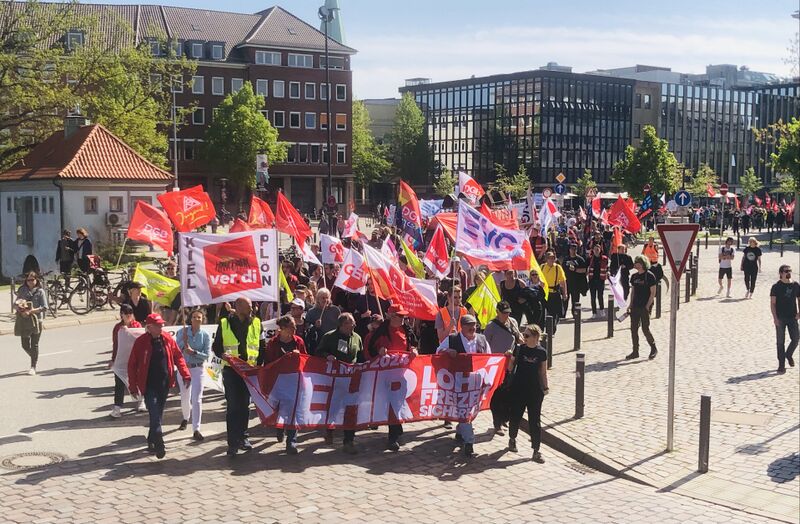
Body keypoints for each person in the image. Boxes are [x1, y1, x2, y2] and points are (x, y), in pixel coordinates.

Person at [127, 313, 190, 459]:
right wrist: (132, 386)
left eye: (162, 324)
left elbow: (178, 356)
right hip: (148, 385)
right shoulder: (141, 342)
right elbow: (132, 365)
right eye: (158, 325)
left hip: (164, 383)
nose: (162, 326)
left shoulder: (167, 338)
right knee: (154, 413)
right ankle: (159, 442)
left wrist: (185, 374)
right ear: (149, 327)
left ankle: (151, 439)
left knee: (158, 414)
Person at [212, 297, 266, 458]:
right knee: (233, 407)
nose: (252, 308)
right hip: (231, 372)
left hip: (249, 371)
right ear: (239, 306)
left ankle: (244, 437)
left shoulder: (257, 323)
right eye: (249, 306)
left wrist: (259, 366)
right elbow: (216, 346)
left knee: (244, 407)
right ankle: (232, 442)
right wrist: (223, 354)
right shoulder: (225, 323)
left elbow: (262, 346)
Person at [436, 314, 491, 458]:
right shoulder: (453, 339)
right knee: (464, 410)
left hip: (476, 382)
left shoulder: (482, 339)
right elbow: (438, 352)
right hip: (459, 383)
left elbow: (489, 358)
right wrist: (447, 351)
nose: (473, 328)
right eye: (469, 325)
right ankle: (469, 442)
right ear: (462, 326)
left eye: (474, 325)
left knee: (469, 411)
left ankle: (461, 431)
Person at [366, 305, 418, 451]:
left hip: (401, 373)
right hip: (385, 374)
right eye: (399, 316)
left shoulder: (406, 329)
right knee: (390, 403)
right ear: (391, 316)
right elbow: (369, 349)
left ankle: (395, 430)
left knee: (397, 402)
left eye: (403, 316)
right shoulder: (381, 332)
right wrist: (379, 351)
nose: (403, 319)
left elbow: (413, 343)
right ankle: (393, 435)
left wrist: (414, 350)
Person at [316, 313, 364, 454]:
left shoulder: (357, 338)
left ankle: (349, 440)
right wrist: (327, 356)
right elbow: (318, 352)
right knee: (334, 407)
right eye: (351, 323)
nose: (354, 325)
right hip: (335, 380)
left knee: (351, 410)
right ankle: (329, 430)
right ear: (342, 325)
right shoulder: (330, 337)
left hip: (352, 380)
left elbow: (360, 357)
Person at [264, 315, 307, 454]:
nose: (294, 329)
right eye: (291, 327)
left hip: (294, 381)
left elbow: (306, 360)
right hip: (278, 381)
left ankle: (292, 442)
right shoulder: (272, 343)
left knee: (293, 410)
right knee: (278, 409)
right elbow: (268, 363)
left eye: (295, 326)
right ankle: (279, 428)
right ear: (281, 329)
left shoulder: (299, 341)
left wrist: (298, 355)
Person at [507, 324, 549, 464]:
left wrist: (545, 387)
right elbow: (510, 367)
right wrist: (509, 358)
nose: (524, 338)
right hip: (519, 388)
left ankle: (536, 450)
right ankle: (512, 439)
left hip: (535, 390)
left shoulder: (542, 352)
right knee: (516, 416)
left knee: (535, 420)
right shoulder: (519, 349)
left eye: (527, 335)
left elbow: (542, 372)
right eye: (523, 335)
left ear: (536, 337)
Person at [175, 309, 211, 441]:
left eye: (199, 317)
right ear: (190, 319)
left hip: (198, 369)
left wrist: (194, 352)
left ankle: (196, 428)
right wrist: (183, 343)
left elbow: (206, 355)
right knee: (185, 397)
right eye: (194, 317)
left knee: (197, 399)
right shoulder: (182, 332)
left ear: (203, 320)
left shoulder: (205, 335)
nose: (197, 319)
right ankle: (186, 417)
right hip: (184, 369)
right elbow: (176, 351)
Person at [110, 304, 143, 417]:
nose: (129, 316)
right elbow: (116, 344)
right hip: (121, 359)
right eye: (126, 314)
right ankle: (117, 407)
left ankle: (141, 402)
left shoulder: (137, 325)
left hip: (135, 359)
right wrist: (113, 359)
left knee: (138, 381)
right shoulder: (118, 328)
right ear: (121, 315)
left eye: (130, 314)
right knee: (119, 383)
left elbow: (140, 340)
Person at [625, 256, 658, 361]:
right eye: (635, 262)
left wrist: (648, 306)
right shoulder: (634, 277)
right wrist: (630, 304)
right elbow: (633, 291)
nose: (636, 264)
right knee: (633, 329)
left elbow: (653, 292)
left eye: (638, 262)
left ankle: (653, 348)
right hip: (635, 305)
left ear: (643, 263)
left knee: (645, 328)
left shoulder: (650, 276)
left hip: (645, 305)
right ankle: (635, 351)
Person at [15, 272, 47, 375]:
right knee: (24, 345)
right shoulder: (22, 290)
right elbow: (15, 303)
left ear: (36, 280)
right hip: (24, 320)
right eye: (28, 280)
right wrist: (19, 307)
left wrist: (32, 311)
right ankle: (34, 356)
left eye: (32, 280)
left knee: (34, 344)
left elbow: (45, 307)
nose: (30, 282)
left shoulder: (40, 291)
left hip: (37, 320)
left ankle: (33, 366)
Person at [770, 265, 800, 374]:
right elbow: (773, 304)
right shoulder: (776, 287)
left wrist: (799, 313)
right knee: (780, 342)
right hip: (780, 318)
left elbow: (799, 299)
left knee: (796, 339)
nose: (789, 273)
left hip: (792, 317)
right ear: (781, 273)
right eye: (786, 271)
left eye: (790, 271)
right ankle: (781, 365)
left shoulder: (796, 285)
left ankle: (789, 354)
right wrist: (775, 318)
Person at [305, 288, 341, 353]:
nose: (325, 300)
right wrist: (315, 326)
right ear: (318, 299)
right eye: (323, 298)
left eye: (327, 297)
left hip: (335, 342)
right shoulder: (311, 312)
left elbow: (341, 326)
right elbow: (307, 329)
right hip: (319, 344)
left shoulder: (335, 310)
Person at [540, 251, 567, 334]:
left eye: (553, 258)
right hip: (544, 293)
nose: (551, 260)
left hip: (554, 293)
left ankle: (551, 329)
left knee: (554, 313)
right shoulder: (542, 267)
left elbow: (563, 281)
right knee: (544, 312)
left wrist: (565, 293)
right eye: (549, 258)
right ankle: (544, 330)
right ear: (546, 259)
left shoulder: (557, 267)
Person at [563, 243, 587, 317]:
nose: (573, 251)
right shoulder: (566, 259)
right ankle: (563, 314)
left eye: (574, 249)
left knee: (575, 301)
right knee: (565, 300)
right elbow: (562, 270)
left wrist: (575, 269)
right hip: (567, 283)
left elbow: (584, 270)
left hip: (576, 284)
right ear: (569, 250)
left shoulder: (580, 259)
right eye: (571, 249)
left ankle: (575, 315)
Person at [586, 244, 608, 318]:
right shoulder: (590, 258)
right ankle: (594, 312)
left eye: (598, 249)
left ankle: (602, 310)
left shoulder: (604, 258)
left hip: (600, 280)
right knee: (593, 297)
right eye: (595, 249)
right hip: (592, 280)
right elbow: (586, 267)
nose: (596, 251)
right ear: (593, 250)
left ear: (600, 250)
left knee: (600, 296)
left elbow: (607, 267)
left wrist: (608, 273)